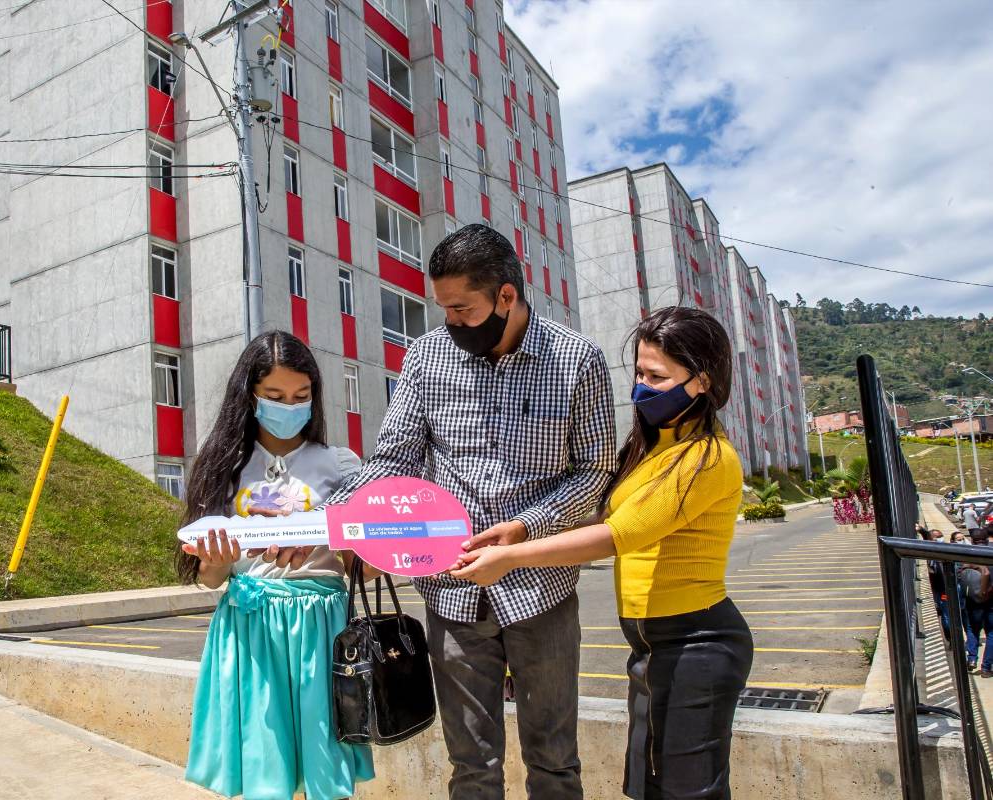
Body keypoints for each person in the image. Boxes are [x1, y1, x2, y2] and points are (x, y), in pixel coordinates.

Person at [257, 224, 617, 799]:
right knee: (472, 764)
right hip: (452, 595)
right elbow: (392, 460)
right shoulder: (427, 358)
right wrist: (325, 524)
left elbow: (595, 475)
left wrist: (525, 529)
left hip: (541, 591)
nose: (449, 321)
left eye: (460, 308)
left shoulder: (577, 361)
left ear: (505, 296)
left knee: (554, 760)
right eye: (442, 307)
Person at [453, 306, 754, 800]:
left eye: (657, 376)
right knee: (647, 786)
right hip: (651, 647)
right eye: (638, 371)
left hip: (696, 644)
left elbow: (621, 534)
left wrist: (511, 559)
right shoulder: (652, 445)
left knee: (688, 791)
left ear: (701, 382)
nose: (641, 386)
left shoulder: (708, 458)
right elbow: (608, 516)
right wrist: (521, 532)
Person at [175, 331, 374, 800]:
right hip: (249, 627)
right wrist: (216, 564)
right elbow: (209, 579)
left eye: (301, 396)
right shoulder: (222, 466)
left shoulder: (340, 463)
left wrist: (334, 536)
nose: (290, 406)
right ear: (250, 396)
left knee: (327, 761)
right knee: (264, 763)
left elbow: (363, 565)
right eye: (275, 396)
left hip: (323, 630)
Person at [962, 530, 993, 676]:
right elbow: (986, 573)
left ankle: (972, 659)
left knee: (972, 629)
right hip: (991, 599)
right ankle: (986, 668)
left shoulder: (968, 553)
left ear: (972, 540)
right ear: (986, 540)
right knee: (991, 633)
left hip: (972, 600)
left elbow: (959, 574)